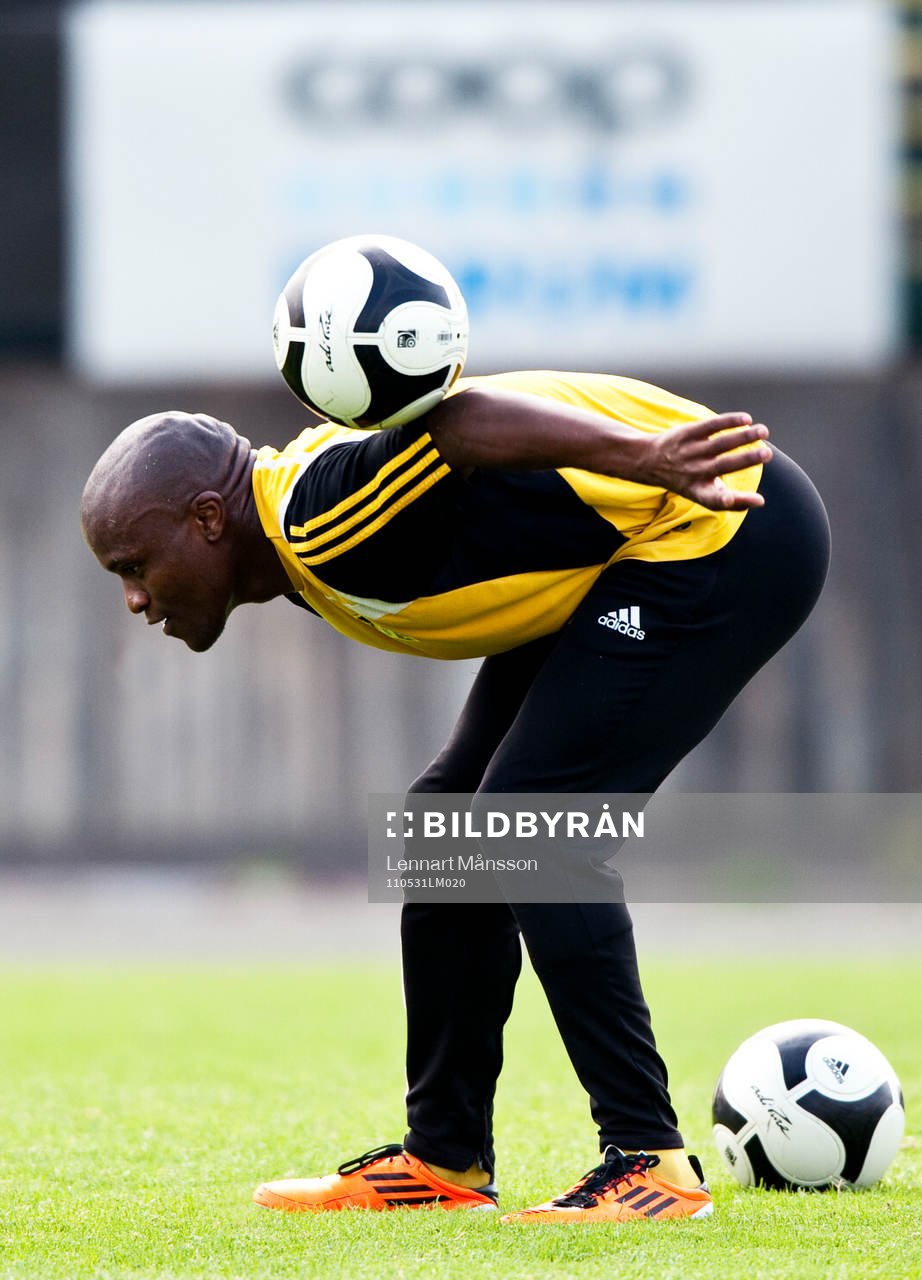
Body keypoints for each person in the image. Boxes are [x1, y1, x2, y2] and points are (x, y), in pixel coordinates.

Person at [81, 369, 830, 1223]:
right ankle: (445, 1162)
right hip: (629, 551)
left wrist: (649, 456)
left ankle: (651, 1162)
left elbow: (459, 421)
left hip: (718, 521)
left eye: (134, 565)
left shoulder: (318, 517)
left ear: (208, 520)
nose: (135, 598)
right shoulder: (297, 518)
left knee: (531, 828)